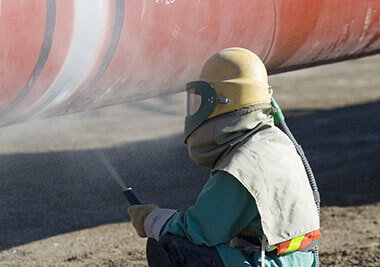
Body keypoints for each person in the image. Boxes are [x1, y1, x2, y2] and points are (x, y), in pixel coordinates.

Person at [127, 47, 321, 267]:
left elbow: (200, 230)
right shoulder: (275, 142)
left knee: (169, 245)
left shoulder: (243, 164)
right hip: (297, 261)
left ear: (222, 100)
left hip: (268, 263)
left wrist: (151, 219)